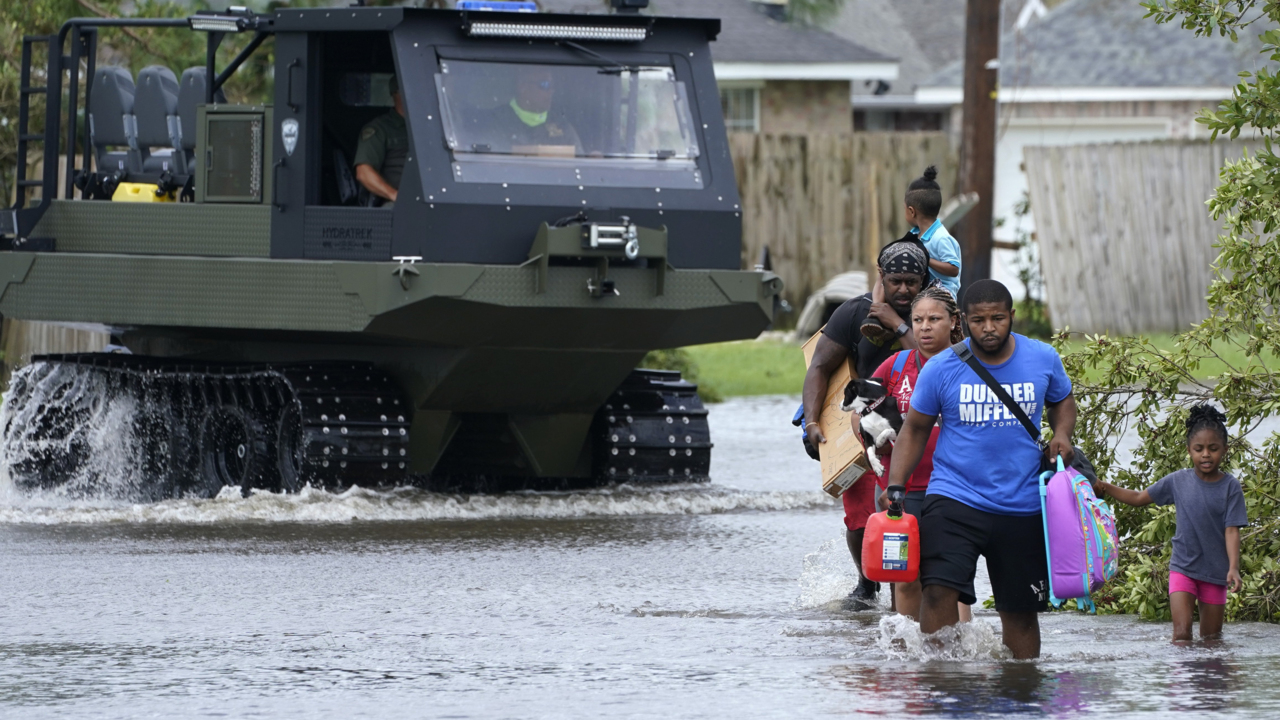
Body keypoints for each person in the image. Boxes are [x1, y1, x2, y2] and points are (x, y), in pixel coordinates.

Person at [886, 279, 1077, 659]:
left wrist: (1062, 434)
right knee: (938, 590)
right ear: (962, 321)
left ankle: (1022, 691)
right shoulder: (941, 368)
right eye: (978, 320)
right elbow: (915, 429)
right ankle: (941, 682)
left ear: (1012, 317)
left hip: (1021, 504)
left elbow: (1063, 400)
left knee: (1020, 612)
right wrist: (895, 484)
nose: (988, 328)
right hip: (954, 498)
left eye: (997, 318)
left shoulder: (1042, 357)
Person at [802, 239, 930, 611]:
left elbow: (931, 361)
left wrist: (899, 324)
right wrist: (812, 422)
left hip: (922, 430)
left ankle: (908, 592)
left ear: (924, 279)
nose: (904, 289)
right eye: (896, 281)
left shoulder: (934, 315)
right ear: (882, 277)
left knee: (911, 514)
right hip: (868, 430)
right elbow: (820, 367)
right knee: (860, 519)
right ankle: (866, 581)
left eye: (912, 281)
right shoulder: (854, 312)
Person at [1095, 405, 1246, 643]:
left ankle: (1211, 680)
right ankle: (1182, 680)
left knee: (1212, 641)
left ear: (1224, 450)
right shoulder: (1177, 481)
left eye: (1213, 449)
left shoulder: (1231, 487)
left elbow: (1231, 530)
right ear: (1189, 451)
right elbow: (1138, 498)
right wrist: (1104, 487)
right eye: (1199, 449)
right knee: (1182, 636)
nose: (1205, 454)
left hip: (1216, 573)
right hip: (1183, 569)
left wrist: (1233, 568)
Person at [869, 286, 972, 622]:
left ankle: (955, 661)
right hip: (899, 492)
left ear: (954, 321)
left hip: (954, 491)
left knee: (949, 581)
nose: (924, 326)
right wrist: (873, 434)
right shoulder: (895, 365)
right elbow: (858, 410)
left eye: (933, 319)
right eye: (917, 320)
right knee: (904, 576)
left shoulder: (971, 367)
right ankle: (906, 656)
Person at [864, 166, 962, 340]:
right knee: (885, 274)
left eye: (904, 209)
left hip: (942, 291)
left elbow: (953, 268)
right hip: (925, 284)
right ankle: (876, 315)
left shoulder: (941, 238)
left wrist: (926, 260)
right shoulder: (917, 234)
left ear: (911, 211)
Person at [481, 66, 582, 155]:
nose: (551, 91)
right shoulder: (496, 121)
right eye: (545, 84)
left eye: (552, 85)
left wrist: (592, 158)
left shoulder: (563, 127)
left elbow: (580, 167)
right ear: (522, 86)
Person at [354, 74, 409, 205]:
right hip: (396, 203)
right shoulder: (380, 129)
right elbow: (363, 173)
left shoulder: (430, 126)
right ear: (396, 94)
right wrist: (395, 195)